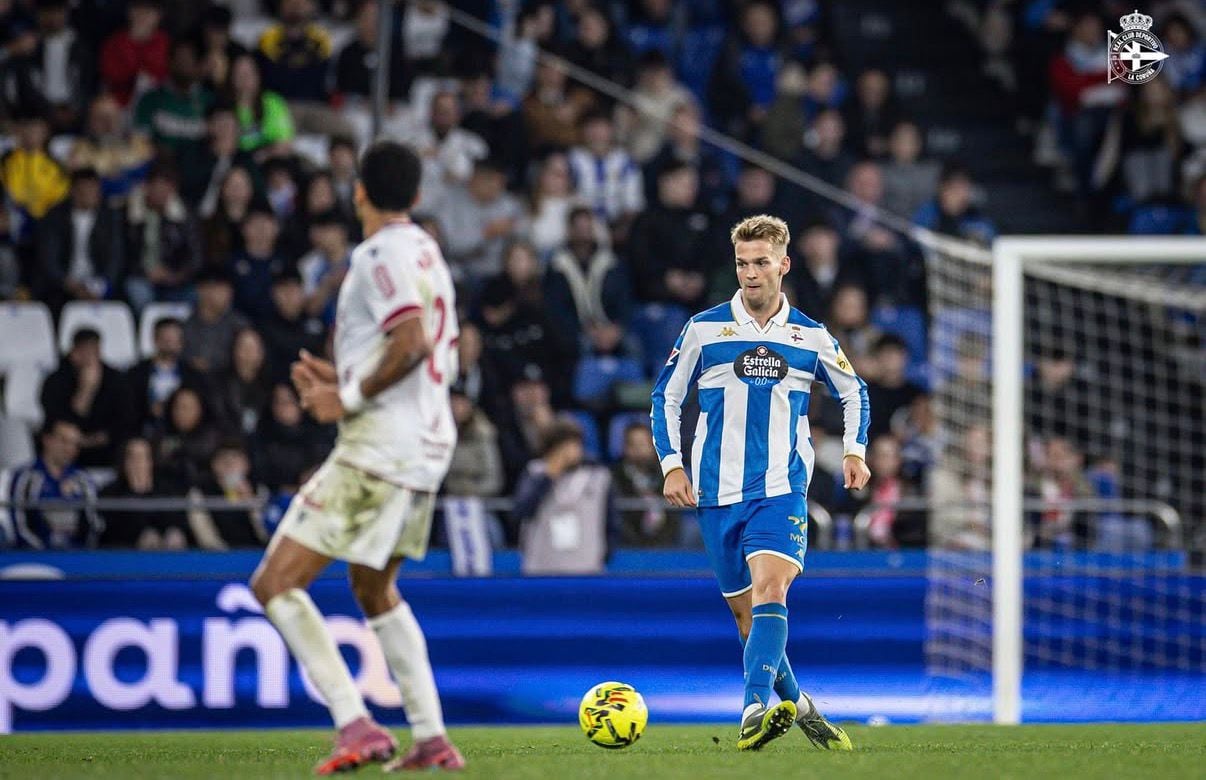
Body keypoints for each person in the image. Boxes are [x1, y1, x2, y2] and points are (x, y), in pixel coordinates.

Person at [248, 141, 465, 773]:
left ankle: (355, 723)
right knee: (373, 586)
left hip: (381, 448)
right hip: (426, 444)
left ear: (358, 192)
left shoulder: (378, 254)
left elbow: (411, 341)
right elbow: (416, 348)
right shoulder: (426, 250)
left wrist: (345, 397)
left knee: (275, 584)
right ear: (416, 195)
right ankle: (431, 738)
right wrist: (344, 376)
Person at [651, 214, 869, 751]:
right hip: (716, 492)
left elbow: (855, 391)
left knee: (773, 590)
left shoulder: (810, 336)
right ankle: (803, 708)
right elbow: (665, 396)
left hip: (780, 487)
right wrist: (671, 464)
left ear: (783, 264)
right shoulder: (704, 329)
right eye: (742, 263)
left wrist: (854, 451)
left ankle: (752, 710)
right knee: (749, 621)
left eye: (761, 263)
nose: (750, 273)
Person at [513, 418, 617, 574]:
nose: (569, 452)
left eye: (574, 445)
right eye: (562, 447)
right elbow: (522, 511)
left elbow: (611, 522)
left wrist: (603, 556)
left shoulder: (599, 477)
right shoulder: (534, 473)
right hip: (541, 569)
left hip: (587, 569)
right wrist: (549, 475)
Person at [1, 419, 102, 549]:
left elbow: (93, 522)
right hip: (35, 556)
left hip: (78, 555)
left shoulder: (82, 478)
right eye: (64, 441)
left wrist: (83, 552)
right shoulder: (26, 477)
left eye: (75, 444)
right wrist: (42, 553)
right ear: (47, 440)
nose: (70, 449)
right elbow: (19, 524)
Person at [39, 327, 133, 467]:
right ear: (74, 352)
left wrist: (98, 439)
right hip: (67, 445)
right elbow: (55, 420)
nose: (89, 359)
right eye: (84, 352)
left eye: (93, 353)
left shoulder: (115, 380)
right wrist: (85, 392)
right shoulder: (55, 380)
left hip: (106, 446)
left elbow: (125, 419)